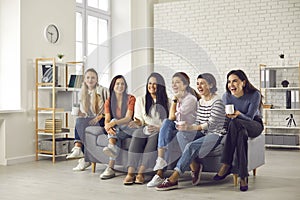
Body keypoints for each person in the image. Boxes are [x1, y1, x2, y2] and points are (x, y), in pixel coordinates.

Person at [155, 73, 226, 191]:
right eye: (198, 84)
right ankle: (195, 165)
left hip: (215, 134)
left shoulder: (218, 102)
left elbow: (210, 124)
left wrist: (192, 128)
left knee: (191, 145)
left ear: (211, 85)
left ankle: (174, 177)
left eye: (202, 83)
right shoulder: (201, 102)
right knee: (181, 134)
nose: (199, 86)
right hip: (202, 132)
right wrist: (188, 128)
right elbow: (198, 121)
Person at [213, 69, 264, 192]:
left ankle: (226, 164)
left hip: (254, 125)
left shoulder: (254, 95)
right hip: (236, 126)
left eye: (235, 81)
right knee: (240, 134)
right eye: (229, 82)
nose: (231, 85)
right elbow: (227, 117)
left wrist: (238, 114)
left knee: (236, 122)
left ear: (243, 82)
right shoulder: (226, 96)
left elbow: (250, 117)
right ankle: (243, 176)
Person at [147, 72, 198, 187]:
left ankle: (160, 170)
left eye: (177, 82)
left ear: (185, 85)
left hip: (189, 130)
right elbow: (171, 120)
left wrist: (174, 100)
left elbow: (173, 117)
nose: (174, 85)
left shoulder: (190, 99)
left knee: (167, 124)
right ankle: (160, 166)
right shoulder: (180, 98)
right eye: (173, 83)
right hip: (179, 128)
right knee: (166, 124)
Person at [123, 72, 170, 185]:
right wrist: (136, 122)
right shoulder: (141, 100)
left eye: (155, 84)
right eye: (150, 83)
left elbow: (169, 121)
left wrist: (159, 128)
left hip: (159, 130)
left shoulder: (168, 101)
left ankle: (141, 172)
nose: (152, 86)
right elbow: (140, 120)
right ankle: (130, 172)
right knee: (137, 134)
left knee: (154, 137)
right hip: (145, 128)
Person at [66, 68, 109, 171]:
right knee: (80, 121)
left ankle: (79, 150)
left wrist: (101, 116)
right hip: (90, 119)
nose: (90, 80)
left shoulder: (103, 90)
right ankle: (82, 154)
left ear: (97, 79)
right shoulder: (82, 92)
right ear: (85, 80)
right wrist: (81, 113)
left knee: (80, 123)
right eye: (88, 78)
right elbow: (84, 112)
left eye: (93, 78)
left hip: (103, 118)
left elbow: (110, 106)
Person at [99, 75, 136, 179]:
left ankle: (111, 149)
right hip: (118, 131)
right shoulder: (109, 101)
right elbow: (107, 118)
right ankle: (110, 168)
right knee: (115, 135)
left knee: (114, 123)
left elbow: (128, 118)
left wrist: (113, 123)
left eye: (122, 84)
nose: (120, 86)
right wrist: (108, 126)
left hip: (129, 129)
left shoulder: (131, 98)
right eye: (118, 84)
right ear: (113, 86)